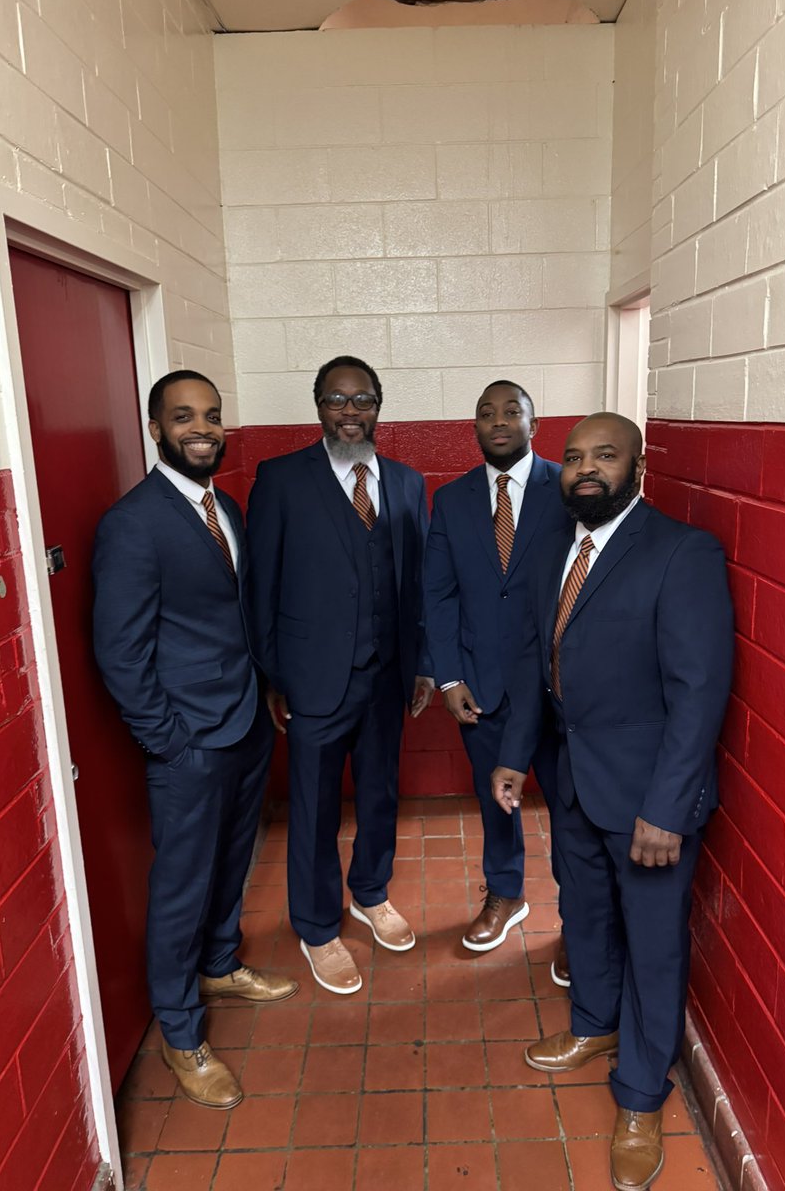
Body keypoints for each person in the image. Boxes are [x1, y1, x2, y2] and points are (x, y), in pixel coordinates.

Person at [492, 412, 734, 1191]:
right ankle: (594, 1026)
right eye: (573, 457)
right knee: (585, 914)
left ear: (638, 465)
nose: (585, 469)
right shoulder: (553, 548)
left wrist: (667, 807)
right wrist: (512, 758)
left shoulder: (679, 552)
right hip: (569, 778)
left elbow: (698, 692)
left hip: (645, 799)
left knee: (653, 941)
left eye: (605, 456)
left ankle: (640, 1094)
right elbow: (537, 658)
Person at [92, 371, 298, 1111]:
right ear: (156, 430)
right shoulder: (134, 523)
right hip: (189, 743)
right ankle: (181, 1033)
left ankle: (219, 964)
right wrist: (169, 741)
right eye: (184, 418)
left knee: (233, 860)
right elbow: (119, 651)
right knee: (181, 884)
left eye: (211, 416)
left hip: (242, 725)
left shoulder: (227, 506)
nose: (203, 428)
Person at [246, 356, 434, 995]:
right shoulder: (280, 479)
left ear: (380, 405)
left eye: (363, 399)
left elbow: (420, 586)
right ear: (318, 405)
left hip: (388, 676)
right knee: (315, 805)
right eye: (336, 399)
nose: (350, 411)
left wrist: (423, 665)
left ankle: (370, 893)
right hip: (313, 677)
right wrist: (274, 675)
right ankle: (318, 926)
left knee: (381, 793)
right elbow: (260, 586)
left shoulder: (408, 484)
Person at [424, 380, 571, 978]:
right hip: (482, 686)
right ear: (475, 428)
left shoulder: (567, 487)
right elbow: (438, 592)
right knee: (497, 803)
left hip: (558, 689)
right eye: (486, 413)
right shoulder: (452, 499)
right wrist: (447, 677)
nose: (499, 420)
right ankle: (505, 894)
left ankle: (578, 918)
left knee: (572, 808)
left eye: (513, 410)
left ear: (535, 424)